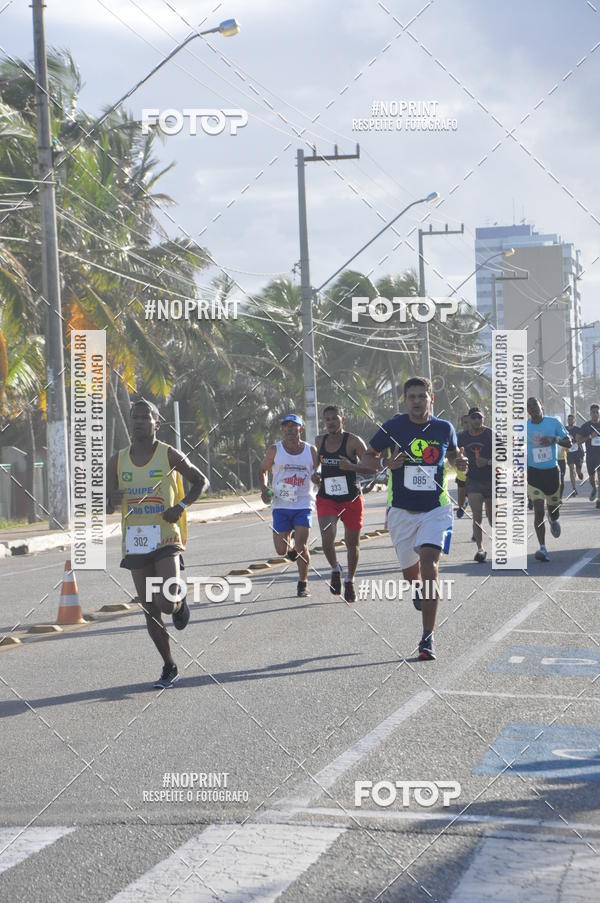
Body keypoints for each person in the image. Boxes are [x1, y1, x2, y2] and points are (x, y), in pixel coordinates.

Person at [361, 377, 468, 661]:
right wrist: (385, 463)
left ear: (431, 398)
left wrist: (459, 463)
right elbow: (367, 458)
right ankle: (418, 589)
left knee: (429, 564)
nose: (417, 401)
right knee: (412, 575)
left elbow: (454, 455)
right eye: (412, 397)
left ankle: (427, 638)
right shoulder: (393, 427)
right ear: (405, 400)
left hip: (436, 509)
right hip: (401, 512)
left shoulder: (444, 428)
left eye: (422, 396)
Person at [107, 399, 209, 688]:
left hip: (166, 535)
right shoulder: (117, 460)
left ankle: (179, 603)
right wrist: (109, 499)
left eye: (145, 417)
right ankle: (169, 665)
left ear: (156, 423)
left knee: (165, 603)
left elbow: (201, 481)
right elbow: (106, 503)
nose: (139, 422)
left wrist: (181, 506)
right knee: (150, 610)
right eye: (135, 417)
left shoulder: (169, 454)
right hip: (136, 540)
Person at [260, 414, 319, 597]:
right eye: (287, 427)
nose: (290, 430)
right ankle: (290, 545)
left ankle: (303, 584)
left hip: (303, 503)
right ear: (282, 429)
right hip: (281, 504)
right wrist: (264, 488)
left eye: (294, 426)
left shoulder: (311, 450)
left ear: (301, 429)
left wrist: (318, 476)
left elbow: (318, 470)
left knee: (302, 546)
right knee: (281, 550)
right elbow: (263, 470)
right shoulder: (275, 450)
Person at [314, 406, 368, 603]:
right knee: (327, 537)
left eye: (334, 419)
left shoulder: (353, 441)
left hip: (351, 498)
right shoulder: (319, 441)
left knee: (352, 543)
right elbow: (316, 464)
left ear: (342, 420)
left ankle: (350, 580)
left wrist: (351, 466)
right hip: (327, 497)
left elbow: (371, 466)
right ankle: (335, 568)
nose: (330, 422)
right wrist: (315, 474)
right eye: (327, 419)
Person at [526, 397, 571, 562]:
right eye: (529, 406)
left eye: (535, 405)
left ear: (541, 406)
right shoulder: (524, 427)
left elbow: (569, 442)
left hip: (552, 473)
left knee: (553, 511)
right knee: (538, 511)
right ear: (527, 411)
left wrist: (554, 439)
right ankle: (543, 548)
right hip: (534, 474)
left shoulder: (553, 423)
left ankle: (552, 519)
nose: (533, 408)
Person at [457, 406, 493, 563]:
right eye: (474, 417)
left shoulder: (491, 434)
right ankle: (480, 549)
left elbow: (505, 457)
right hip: (473, 481)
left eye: (480, 417)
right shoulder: (462, 437)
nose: (477, 420)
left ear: (484, 419)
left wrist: (488, 461)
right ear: (469, 419)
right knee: (476, 516)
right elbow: (452, 454)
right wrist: (459, 460)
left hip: (491, 480)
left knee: (493, 519)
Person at [576, 403, 600, 507]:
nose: (595, 414)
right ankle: (594, 488)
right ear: (590, 413)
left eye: (597, 412)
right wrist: (590, 436)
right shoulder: (586, 426)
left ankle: (599, 500)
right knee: (592, 479)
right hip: (591, 457)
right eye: (593, 412)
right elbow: (578, 440)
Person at [455, 413, 470, 519]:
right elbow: (452, 453)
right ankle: (462, 505)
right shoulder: (458, 437)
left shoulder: (481, 435)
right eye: (465, 423)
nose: (467, 425)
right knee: (461, 495)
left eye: (469, 422)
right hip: (462, 470)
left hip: (477, 470)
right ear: (462, 424)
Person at [566, 413, 584, 496]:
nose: (570, 421)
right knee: (571, 470)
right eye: (569, 419)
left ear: (574, 420)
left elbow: (582, 439)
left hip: (578, 452)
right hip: (570, 453)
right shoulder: (564, 429)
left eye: (571, 419)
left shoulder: (578, 429)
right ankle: (574, 489)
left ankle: (579, 473)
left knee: (577, 470)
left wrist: (576, 440)